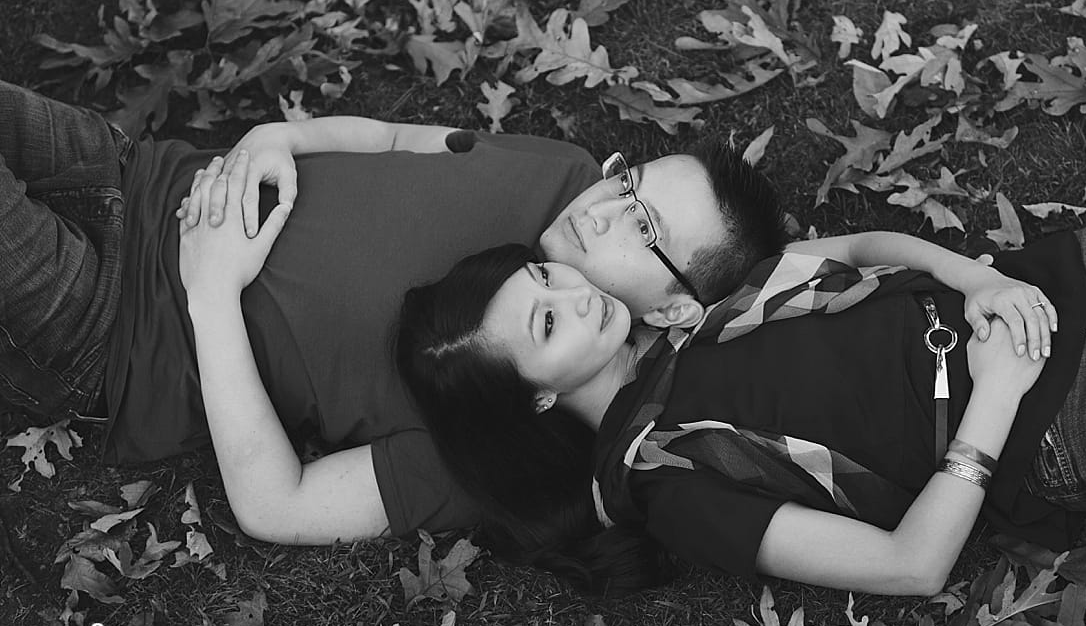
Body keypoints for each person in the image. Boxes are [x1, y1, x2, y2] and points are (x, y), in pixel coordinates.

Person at [0, 80, 774, 545]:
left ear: (675, 308)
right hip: (135, 168)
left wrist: (211, 293)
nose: (604, 209)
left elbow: (280, 504)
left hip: (111, 320)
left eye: (644, 230)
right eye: (629, 181)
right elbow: (402, 139)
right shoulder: (568, 174)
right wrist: (278, 137)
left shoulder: (506, 415)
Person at [395, 179, 1086, 596]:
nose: (576, 296)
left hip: (1055, 282)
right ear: (535, 399)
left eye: (546, 279)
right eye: (547, 326)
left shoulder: (689, 314)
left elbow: (865, 247)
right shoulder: (666, 483)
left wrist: (978, 283)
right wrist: (997, 396)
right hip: (1064, 421)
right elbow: (909, 565)